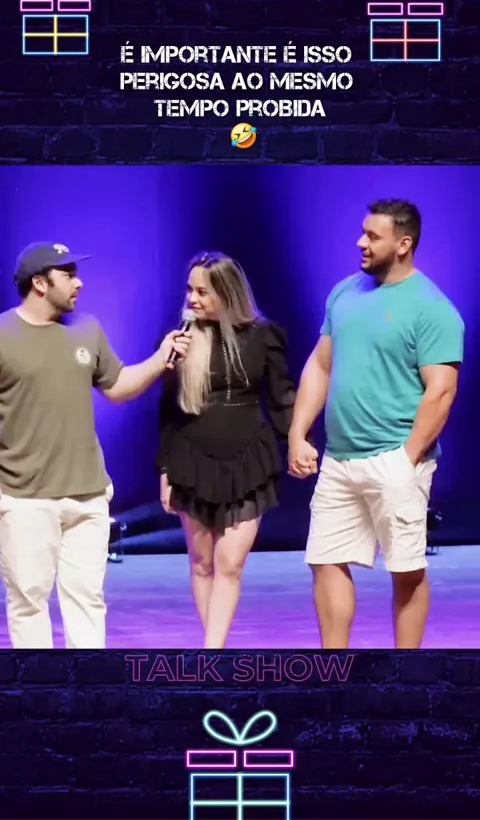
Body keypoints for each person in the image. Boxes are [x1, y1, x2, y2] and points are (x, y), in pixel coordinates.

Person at [288, 199, 464, 650]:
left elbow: (441, 391)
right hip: (339, 459)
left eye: (372, 236)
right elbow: (320, 364)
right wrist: (298, 432)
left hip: (396, 457)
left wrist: (407, 459)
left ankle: (404, 672)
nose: (360, 242)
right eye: (363, 232)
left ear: (404, 244)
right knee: (325, 559)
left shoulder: (432, 308)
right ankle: (335, 669)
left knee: (406, 569)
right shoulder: (344, 293)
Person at [0, 241, 191, 649]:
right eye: (68, 274)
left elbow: (117, 386)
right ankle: (39, 686)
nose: (79, 283)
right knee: (28, 603)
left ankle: (87, 682)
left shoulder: (86, 329)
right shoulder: (3, 335)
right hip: (24, 499)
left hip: (88, 495)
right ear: (39, 283)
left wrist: (161, 359)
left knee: (87, 600)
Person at [156, 252, 296, 649]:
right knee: (202, 563)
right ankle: (214, 653)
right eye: (190, 290)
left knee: (229, 563)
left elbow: (282, 399)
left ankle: (212, 653)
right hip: (191, 460)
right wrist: (165, 471)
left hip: (248, 461)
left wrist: (297, 441)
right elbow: (168, 412)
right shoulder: (182, 340)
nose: (193, 298)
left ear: (228, 293)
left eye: (203, 291)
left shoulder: (264, 336)